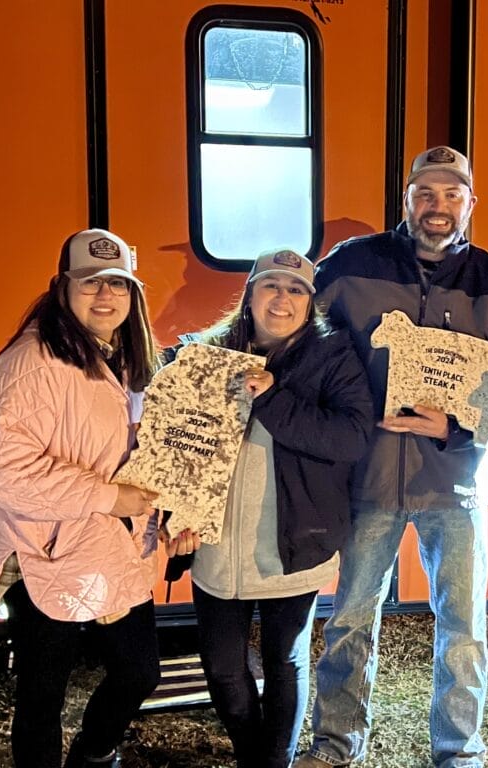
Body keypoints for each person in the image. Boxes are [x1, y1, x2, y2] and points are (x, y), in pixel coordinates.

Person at [295, 146, 488, 768]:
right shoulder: (351, 264)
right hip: (366, 475)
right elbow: (298, 334)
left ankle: (460, 750)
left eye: (452, 195)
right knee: (349, 618)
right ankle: (335, 746)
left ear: (471, 203)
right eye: (426, 193)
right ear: (406, 200)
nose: (437, 207)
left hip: (458, 480)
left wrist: (464, 423)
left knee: (463, 627)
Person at [0, 228, 167, 768]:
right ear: (62, 287)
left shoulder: (122, 357)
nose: (106, 296)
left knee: (139, 670)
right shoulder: (31, 363)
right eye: (90, 283)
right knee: (42, 694)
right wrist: (108, 496)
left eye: (119, 285)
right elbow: (2, 471)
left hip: (107, 543)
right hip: (43, 549)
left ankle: (94, 752)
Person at [166, 249, 372, 768]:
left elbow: (351, 438)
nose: (282, 299)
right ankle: (251, 752)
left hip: (294, 541)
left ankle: (269, 761)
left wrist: (273, 396)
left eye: (296, 290)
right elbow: (172, 439)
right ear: (250, 295)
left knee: (283, 659)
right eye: (271, 286)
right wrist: (177, 511)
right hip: (217, 544)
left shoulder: (333, 356)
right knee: (222, 667)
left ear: (311, 301)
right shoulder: (207, 352)